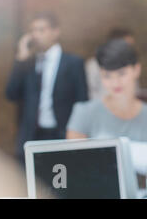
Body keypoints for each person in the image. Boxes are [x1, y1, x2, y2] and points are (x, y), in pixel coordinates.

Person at [5, 11, 88, 161]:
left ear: (55, 32)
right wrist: (21, 58)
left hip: (61, 134)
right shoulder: (27, 63)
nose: (36, 35)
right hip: (31, 135)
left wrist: (77, 137)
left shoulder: (73, 63)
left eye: (41, 30)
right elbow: (11, 94)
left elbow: (82, 101)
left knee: (61, 180)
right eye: (33, 31)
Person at [67, 38, 147, 142]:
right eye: (107, 76)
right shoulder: (84, 113)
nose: (115, 83)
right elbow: (74, 156)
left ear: (136, 70)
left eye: (121, 74)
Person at [85, 28, 140, 100]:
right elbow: (89, 90)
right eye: (107, 75)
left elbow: (135, 90)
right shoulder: (94, 65)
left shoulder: (131, 65)